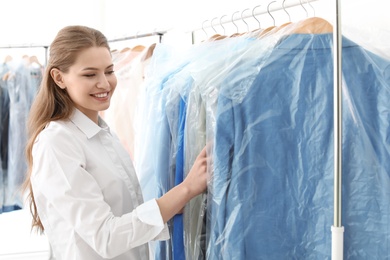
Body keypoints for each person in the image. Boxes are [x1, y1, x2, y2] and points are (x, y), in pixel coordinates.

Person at [21, 25, 209, 260]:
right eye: (90, 74)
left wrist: (170, 204)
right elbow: (106, 237)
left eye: (109, 71)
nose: (105, 83)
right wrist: (186, 189)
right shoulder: (57, 142)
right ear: (59, 78)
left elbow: (123, 214)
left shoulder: (102, 133)